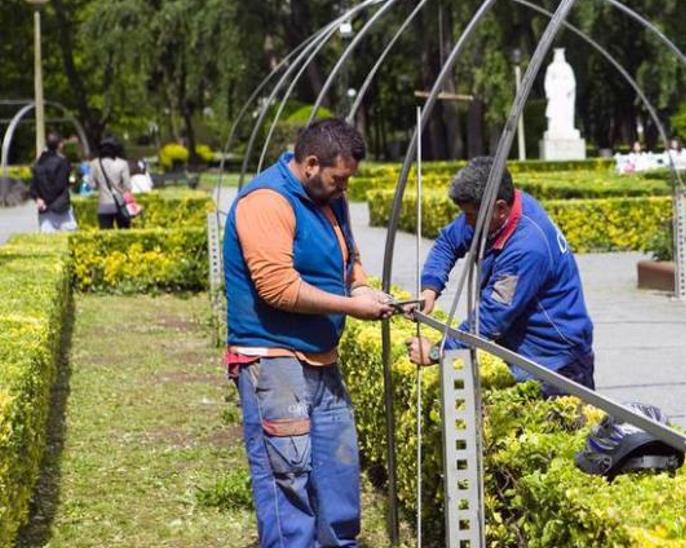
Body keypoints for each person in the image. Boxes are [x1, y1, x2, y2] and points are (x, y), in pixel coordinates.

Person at [222, 119, 393, 547]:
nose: (344, 189)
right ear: (311, 164)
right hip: (272, 358)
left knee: (338, 468)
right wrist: (353, 307)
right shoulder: (266, 201)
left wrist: (363, 286)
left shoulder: (330, 199)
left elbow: (349, 258)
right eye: (339, 179)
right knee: (288, 475)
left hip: (320, 357)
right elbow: (277, 288)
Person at [405, 157, 595, 397]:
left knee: (560, 431)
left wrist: (437, 352)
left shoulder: (527, 246)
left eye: (471, 216)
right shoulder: (491, 214)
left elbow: (492, 317)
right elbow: (448, 242)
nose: (467, 223)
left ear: (501, 208)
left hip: (556, 363)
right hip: (527, 351)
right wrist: (429, 289)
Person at [30, 132, 77, 232]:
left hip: (44, 209)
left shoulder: (38, 163)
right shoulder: (63, 162)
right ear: (60, 145)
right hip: (62, 207)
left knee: (48, 242)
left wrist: (38, 198)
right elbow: (65, 183)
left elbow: (33, 187)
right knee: (69, 238)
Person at [88, 137, 132, 229]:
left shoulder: (94, 163)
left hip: (104, 203)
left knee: (106, 234)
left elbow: (91, 185)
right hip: (120, 203)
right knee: (124, 232)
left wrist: (100, 185)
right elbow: (128, 186)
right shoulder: (122, 163)